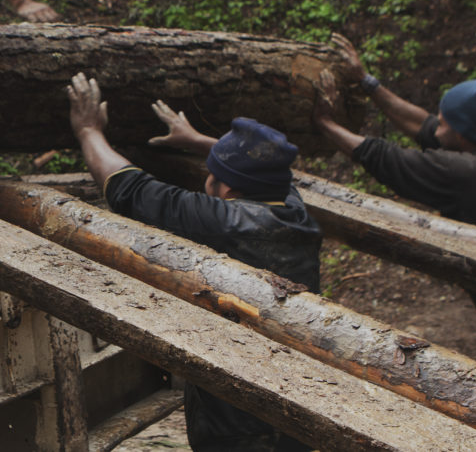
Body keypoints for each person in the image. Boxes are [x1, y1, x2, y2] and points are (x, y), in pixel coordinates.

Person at [66, 72, 321, 452]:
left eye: (212, 174)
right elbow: (266, 170)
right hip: (299, 404)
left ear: (229, 191)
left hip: (237, 419)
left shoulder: (223, 222)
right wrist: (201, 141)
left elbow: (130, 189)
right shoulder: (294, 211)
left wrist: (88, 130)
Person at [313, 33, 476, 378]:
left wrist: (324, 124)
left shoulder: (472, 172)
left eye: (443, 120)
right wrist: (367, 82)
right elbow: (425, 126)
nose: (435, 122)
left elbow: (389, 160)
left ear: (460, 132)